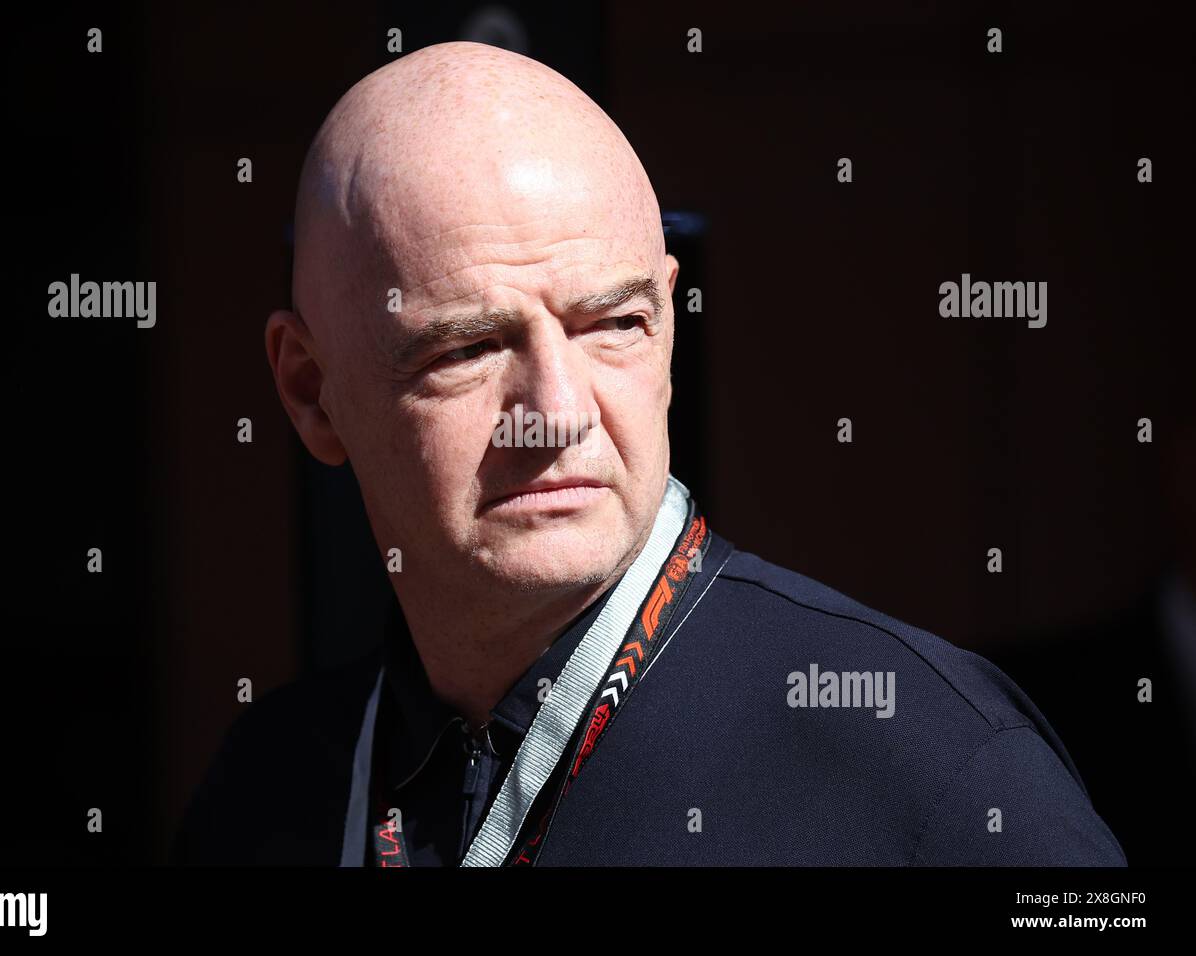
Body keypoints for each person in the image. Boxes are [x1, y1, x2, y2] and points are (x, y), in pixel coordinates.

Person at [171, 41, 1125, 866]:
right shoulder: (272, 792)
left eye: (614, 325)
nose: (557, 413)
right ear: (309, 390)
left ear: (670, 323)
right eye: (468, 348)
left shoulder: (927, 765)